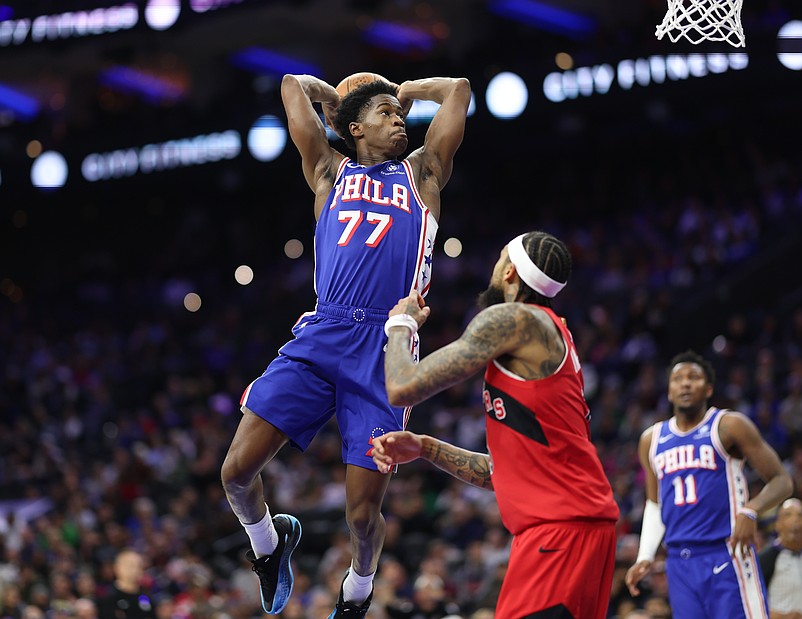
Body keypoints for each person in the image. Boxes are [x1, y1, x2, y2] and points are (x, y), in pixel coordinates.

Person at [220, 72, 472, 618]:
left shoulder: (423, 172)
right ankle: (269, 547)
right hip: (323, 333)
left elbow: (459, 91)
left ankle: (356, 594)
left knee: (361, 517)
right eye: (384, 114)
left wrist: (405, 91)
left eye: (399, 114)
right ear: (354, 128)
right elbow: (289, 86)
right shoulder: (329, 172)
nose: (398, 120)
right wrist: (336, 99)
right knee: (235, 473)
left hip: (384, 348)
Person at [372, 231, 621, 619]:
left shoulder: (515, 320)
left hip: (560, 531)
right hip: (572, 529)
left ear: (509, 272)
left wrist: (401, 325)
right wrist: (425, 447)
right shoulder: (550, 334)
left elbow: (402, 387)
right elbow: (499, 473)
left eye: (499, 257)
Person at [625, 350, 794, 619]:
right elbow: (655, 504)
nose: (685, 383)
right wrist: (645, 555)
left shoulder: (729, 425)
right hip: (679, 562)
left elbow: (782, 481)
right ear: (669, 391)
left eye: (694, 377)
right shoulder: (651, 439)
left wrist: (750, 509)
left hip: (727, 553)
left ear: (708, 389)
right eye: (677, 378)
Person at [758, 497, 802, 619]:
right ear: (777, 524)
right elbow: (753, 600)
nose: (795, 520)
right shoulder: (767, 558)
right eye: (788, 515)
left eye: (800, 515)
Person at [96, 548, 157, 619]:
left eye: (139, 566)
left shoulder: (146, 597)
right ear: (117, 568)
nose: (135, 570)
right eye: (130, 566)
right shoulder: (108, 597)